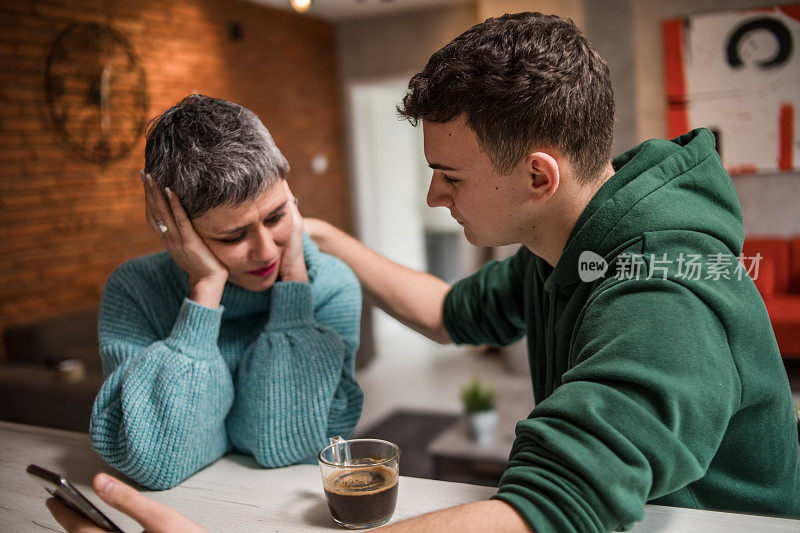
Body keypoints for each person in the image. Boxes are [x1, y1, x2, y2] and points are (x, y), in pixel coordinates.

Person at [48, 12, 800, 533]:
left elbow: (550, 505)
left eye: (449, 175)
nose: (433, 196)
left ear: (538, 176)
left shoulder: (664, 279)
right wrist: (324, 235)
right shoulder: (570, 247)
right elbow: (450, 311)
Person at [88, 94, 364, 491]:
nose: (267, 250)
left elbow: (285, 445)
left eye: (277, 216)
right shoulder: (135, 290)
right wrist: (204, 290)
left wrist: (293, 304)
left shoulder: (330, 286)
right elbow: (153, 461)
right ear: (175, 226)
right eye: (233, 235)